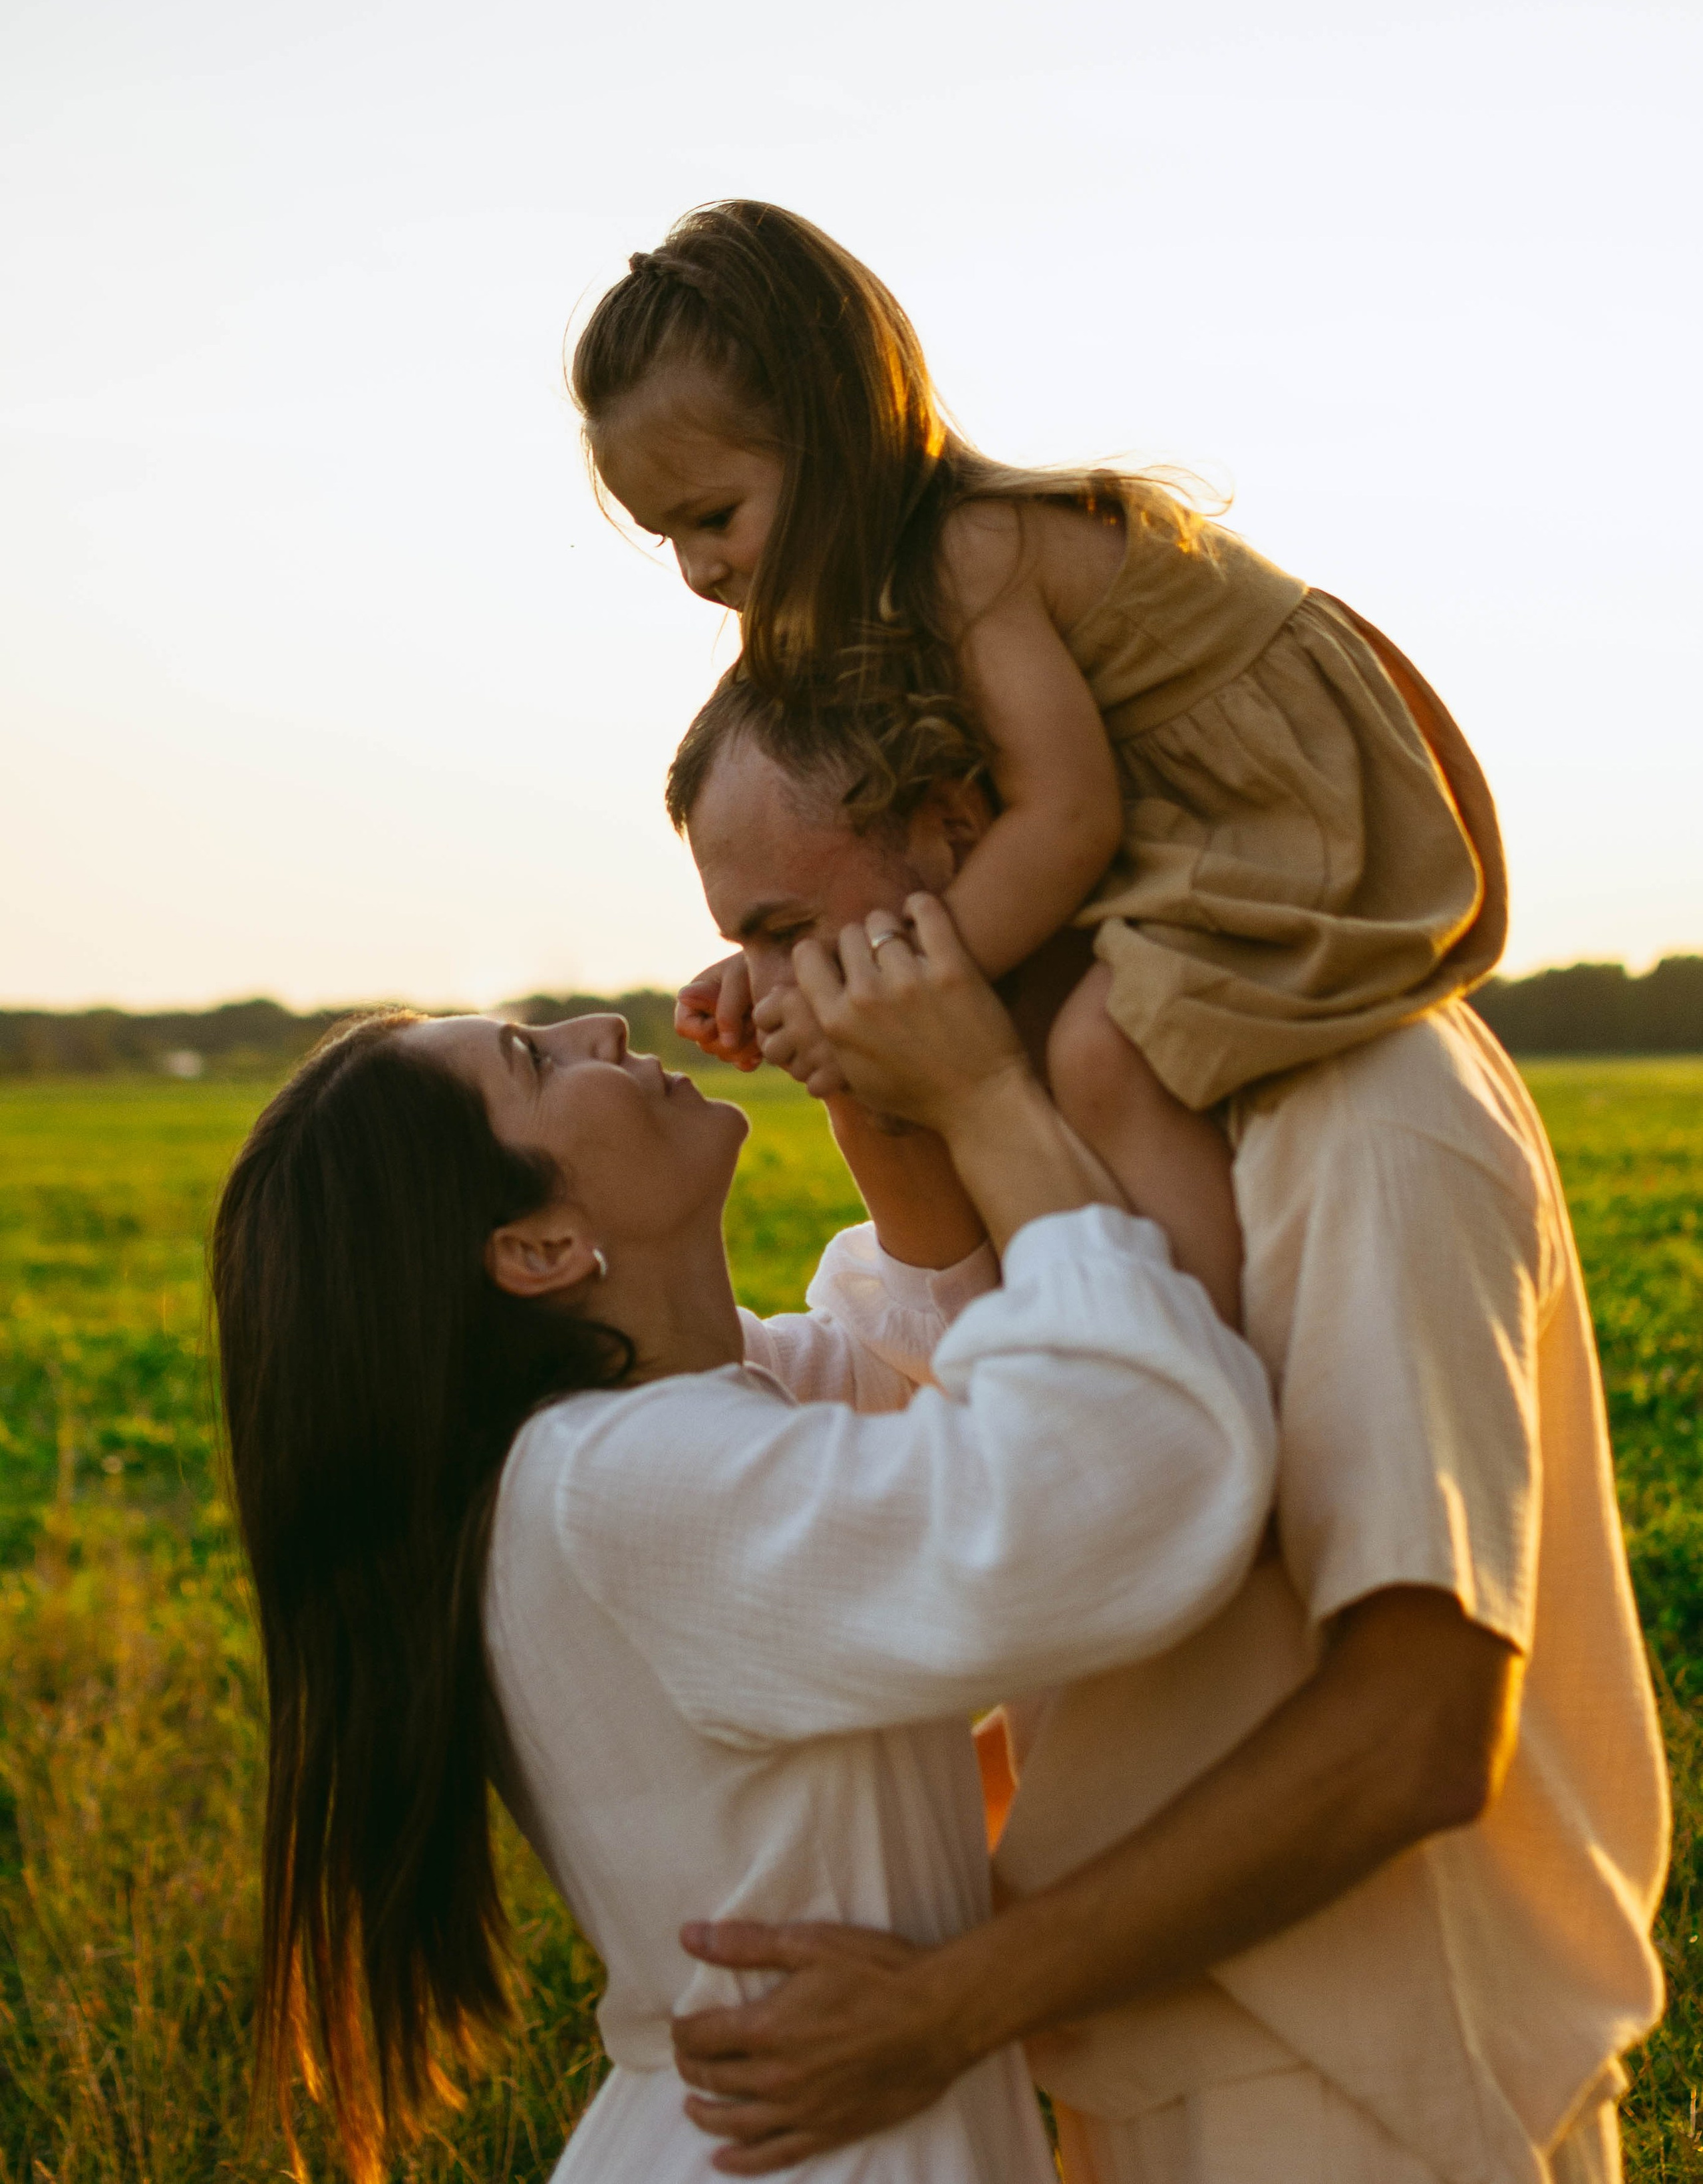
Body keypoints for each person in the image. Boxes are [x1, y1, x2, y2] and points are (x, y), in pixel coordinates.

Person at [657, 674, 1668, 2184]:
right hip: (1136, 2071)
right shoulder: (1064, 1142)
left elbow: (1412, 1731)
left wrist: (943, 2007)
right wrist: (891, 1101)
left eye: (788, 931)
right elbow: (1024, 1516)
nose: (762, 991)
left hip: (1364, 2094)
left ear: (961, 827)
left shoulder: (1357, 1103)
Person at [211, 901, 1277, 2184]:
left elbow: (931, 1370)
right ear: (541, 1247)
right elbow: (1130, 1477)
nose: (596, 1022)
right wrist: (984, 1090)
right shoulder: (621, 1487)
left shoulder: (647, 1434)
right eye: (535, 1063)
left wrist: (868, 1079)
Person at [569, 197, 1507, 1330]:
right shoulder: (886, 589)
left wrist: (898, 988)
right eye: (667, 535)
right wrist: (792, 964)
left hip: (1272, 809)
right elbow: (893, 850)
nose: (698, 569)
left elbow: (1065, 823)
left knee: (1102, 1047)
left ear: (835, 429)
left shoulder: (970, 552)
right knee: (1029, 1035)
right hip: (1180, 827)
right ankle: (1071, 1328)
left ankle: (1198, 1368)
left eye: (714, 515)